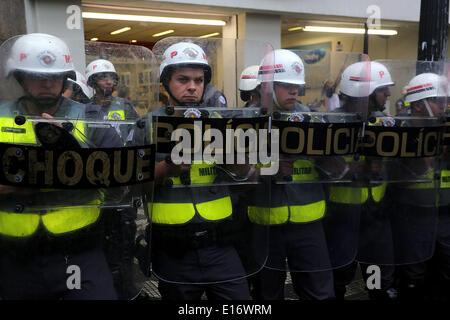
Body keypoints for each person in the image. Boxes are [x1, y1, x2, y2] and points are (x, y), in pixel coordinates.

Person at [0, 33, 122, 299]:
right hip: (14, 254)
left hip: (78, 249)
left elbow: (121, 181)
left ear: (65, 77)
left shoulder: (89, 116)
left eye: (54, 77)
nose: (47, 83)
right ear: (19, 77)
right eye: (36, 76)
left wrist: (74, 155)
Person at [148, 41, 251, 300]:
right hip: (173, 250)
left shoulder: (223, 123)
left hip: (221, 246)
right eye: (183, 79)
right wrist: (167, 167)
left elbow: (249, 178)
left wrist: (236, 158)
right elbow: (131, 186)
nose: (192, 86)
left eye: (199, 79)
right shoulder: (146, 125)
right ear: (166, 82)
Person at [248, 49, 335, 300]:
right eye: (286, 85)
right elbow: (235, 171)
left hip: (309, 223)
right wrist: (266, 171)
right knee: (267, 294)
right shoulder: (249, 121)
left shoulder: (313, 120)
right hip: (264, 222)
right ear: (267, 86)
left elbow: (329, 165)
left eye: (297, 85)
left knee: (320, 292)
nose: (294, 91)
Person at [330, 61, 398, 300]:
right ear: (363, 93)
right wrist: (358, 168)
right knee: (338, 280)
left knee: (377, 279)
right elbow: (331, 167)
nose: (388, 94)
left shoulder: (384, 123)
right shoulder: (332, 124)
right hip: (342, 217)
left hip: (375, 217)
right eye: (382, 90)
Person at [85, 58, 141, 300]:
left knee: (125, 237)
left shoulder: (126, 106)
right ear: (92, 82)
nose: (108, 81)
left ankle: (127, 287)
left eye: (111, 77)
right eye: (102, 77)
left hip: (124, 176)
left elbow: (137, 135)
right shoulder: (84, 109)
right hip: (97, 179)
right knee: (99, 236)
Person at [389, 72, 447, 300]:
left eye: (444, 100)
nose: (443, 106)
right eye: (437, 101)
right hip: (410, 215)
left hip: (445, 214)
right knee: (413, 277)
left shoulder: (445, 131)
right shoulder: (399, 134)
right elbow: (391, 178)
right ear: (419, 105)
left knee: (444, 275)